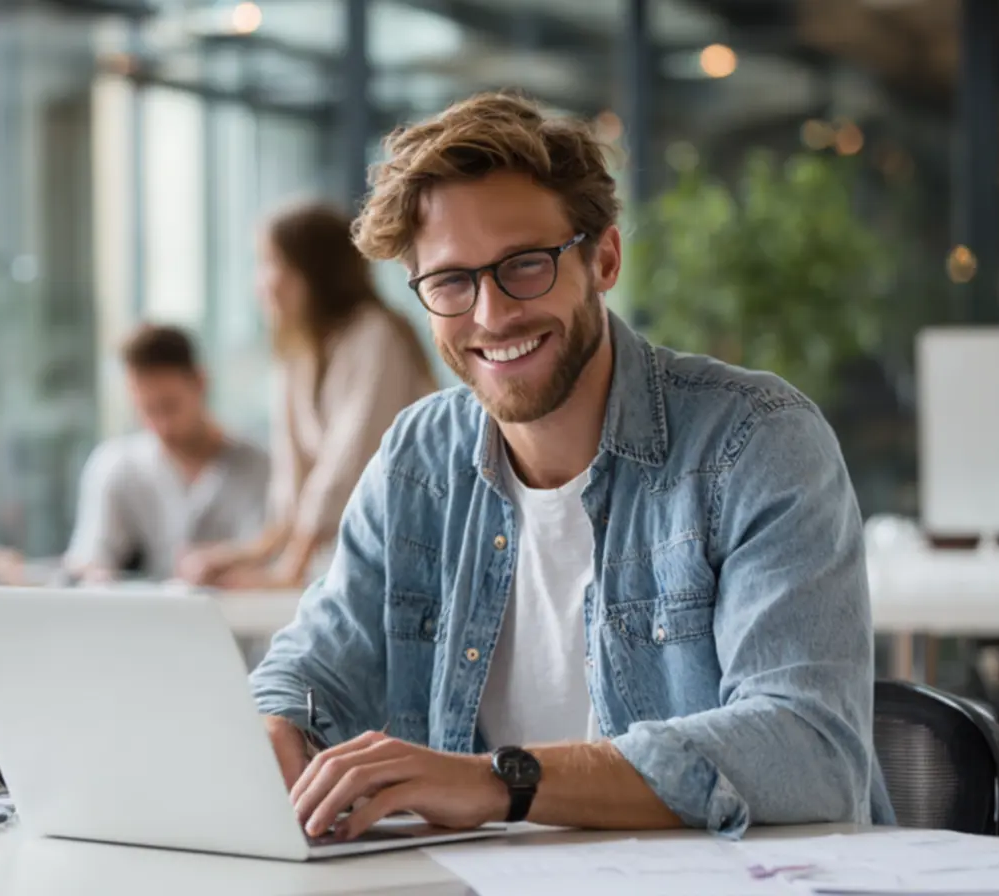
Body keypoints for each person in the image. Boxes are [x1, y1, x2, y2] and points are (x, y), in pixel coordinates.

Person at [249, 92, 894, 842]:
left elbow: (809, 749)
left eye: (524, 265)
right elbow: (309, 671)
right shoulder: (417, 460)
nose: (491, 315)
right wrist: (275, 727)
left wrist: (498, 784)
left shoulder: (755, 442)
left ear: (604, 259)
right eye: (452, 281)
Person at [177, 202, 437, 590]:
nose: (262, 281)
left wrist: (288, 571)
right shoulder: (300, 352)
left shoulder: (376, 334)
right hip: (357, 554)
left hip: (412, 547)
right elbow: (293, 474)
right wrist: (253, 553)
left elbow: (350, 461)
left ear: (314, 272)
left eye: (273, 263)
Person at [64, 324, 270, 582]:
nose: (162, 425)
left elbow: (275, 564)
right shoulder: (117, 467)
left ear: (200, 383)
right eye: (147, 410)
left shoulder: (260, 468)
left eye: (170, 406)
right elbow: (89, 559)